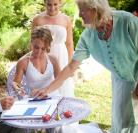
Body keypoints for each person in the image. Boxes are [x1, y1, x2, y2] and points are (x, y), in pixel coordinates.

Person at [32, 0, 138, 133]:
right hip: (120, 82)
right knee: (122, 122)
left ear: (96, 9)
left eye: (83, 10)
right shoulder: (88, 35)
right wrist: (47, 90)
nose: (80, 14)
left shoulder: (127, 21)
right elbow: (71, 67)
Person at [31, 0, 75, 97]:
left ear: (60, 3)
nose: (52, 8)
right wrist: (33, 61)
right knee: (44, 84)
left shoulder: (66, 19)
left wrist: (71, 63)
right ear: (44, 3)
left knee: (63, 84)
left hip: (61, 56)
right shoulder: (37, 19)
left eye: (55, 4)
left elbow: (69, 43)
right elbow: (33, 43)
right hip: (43, 55)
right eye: (49, 4)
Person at [13, 26, 61, 98]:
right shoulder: (23, 62)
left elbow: (60, 80)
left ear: (48, 46)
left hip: (54, 96)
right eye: (36, 47)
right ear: (31, 42)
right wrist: (22, 93)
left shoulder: (53, 59)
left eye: (43, 49)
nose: (39, 52)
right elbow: (16, 84)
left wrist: (46, 91)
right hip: (35, 99)